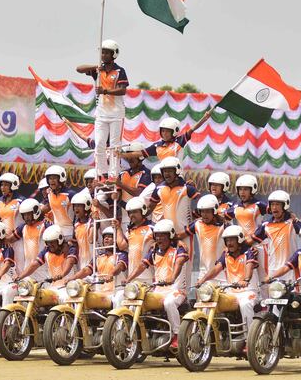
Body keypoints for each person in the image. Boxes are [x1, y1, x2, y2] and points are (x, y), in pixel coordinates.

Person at [124, 219, 188, 350]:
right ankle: (135, 334)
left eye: (163, 235)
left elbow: (179, 262)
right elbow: (142, 265)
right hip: (158, 290)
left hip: (176, 290)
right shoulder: (154, 251)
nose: (159, 238)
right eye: (157, 235)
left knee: (169, 303)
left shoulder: (179, 249)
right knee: (136, 301)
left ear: (170, 235)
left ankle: (177, 335)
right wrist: (129, 279)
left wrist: (173, 277)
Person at [195, 225, 260, 354]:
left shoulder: (249, 252)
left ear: (239, 239)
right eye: (227, 240)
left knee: (245, 304)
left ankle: (250, 340)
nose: (229, 243)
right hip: (231, 292)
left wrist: (245, 280)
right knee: (210, 302)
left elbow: (249, 266)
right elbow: (216, 269)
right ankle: (208, 335)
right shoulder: (225, 254)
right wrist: (203, 280)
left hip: (248, 291)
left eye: (232, 240)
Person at [76, 39, 128, 179]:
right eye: (102, 52)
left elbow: (122, 90)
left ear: (114, 54)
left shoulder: (119, 71)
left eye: (106, 53)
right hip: (101, 114)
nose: (103, 55)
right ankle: (102, 173)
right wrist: (95, 66)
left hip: (116, 114)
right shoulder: (98, 70)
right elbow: (79, 69)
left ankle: (113, 174)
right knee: (99, 144)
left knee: (114, 145)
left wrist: (105, 91)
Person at [148, 156, 199, 290]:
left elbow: (205, 210)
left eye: (170, 170)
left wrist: (186, 231)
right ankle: (168, 293)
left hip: (186, 235)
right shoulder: (158, 189)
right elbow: (149, 210)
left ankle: (184, 297)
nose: (167, 174)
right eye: (164, 171)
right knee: (168, 264)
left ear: (177, 170)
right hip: (167, 235)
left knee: (186, 265)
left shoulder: (187, 188)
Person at [13, 224, 78, 303]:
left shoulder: (70, 248)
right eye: (47, 243)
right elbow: (34, 265)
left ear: (60, 239)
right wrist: (20, 276)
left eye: (52, 242)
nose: (50, 245)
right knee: (35, 298)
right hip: (52, 287)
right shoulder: (47, 250)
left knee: (64, 299)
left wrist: (62, 274)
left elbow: (70, 262)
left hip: (67, 287)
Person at [64, 226, 128, 306]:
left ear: (116, 240)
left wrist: (111, 274)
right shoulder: (99, 257)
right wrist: (71, 278)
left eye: (110, 237)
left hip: (116, 290)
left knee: (118, 299)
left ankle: (118, 318)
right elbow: (86, 270)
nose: (106, 239)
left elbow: (119, 267)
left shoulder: (122, 255)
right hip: (100, 291)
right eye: (105, 237)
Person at [249, 190, 301, 282]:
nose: (274, 207)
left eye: (278, 204)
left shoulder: (293, 222)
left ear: (285, 205)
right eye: (272, 204)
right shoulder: (266, 225)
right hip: (272, 271)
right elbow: (250, 241)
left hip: (290, 269)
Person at [122, 112, 212, 163]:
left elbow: (193, 128)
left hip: (176, 175)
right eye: (163, 131)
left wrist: (204, 118)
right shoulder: (157, 146)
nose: (164, 133)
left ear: (175, 131)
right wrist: (121, 155)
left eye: (168, 131)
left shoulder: (180, 141)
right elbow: (139, 153)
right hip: (161, 176)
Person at [184, 194, 225, 284]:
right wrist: (179, 242)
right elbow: (180, 235)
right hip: (203, 275)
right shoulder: (197, 224)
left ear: (214, 211)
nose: (204, 215)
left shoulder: (225, 226)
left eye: (207, 211)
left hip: (222, 276)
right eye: (202, 211)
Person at [114, 197, 155, 287]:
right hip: (132, 277)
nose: (132, 215)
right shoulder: (130, 231)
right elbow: (121, 246)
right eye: (130, 213)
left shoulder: (152, 228)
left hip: (149, 277)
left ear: (143, 210)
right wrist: (118, 228)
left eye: (135, 212)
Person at [7, 199, 51, 281]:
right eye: (24, 215)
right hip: (28, 272)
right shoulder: (23, 227)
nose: (26, 217)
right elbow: (10, 239)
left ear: (36, 212)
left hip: (44, 271)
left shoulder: (46, 225)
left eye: (28, 214)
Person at [39, 165, 76, 240]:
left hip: (70, 233)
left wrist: (75, 233)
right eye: (50, 178)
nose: (52, 180)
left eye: (54, 178)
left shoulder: (70, 194)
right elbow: (47, 207)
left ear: (61, 179)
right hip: (56, 233)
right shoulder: (50, 194)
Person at [71, 191, 96, 270]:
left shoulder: (92, 222)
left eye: (79, 206)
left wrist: (94, 222)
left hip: (93, 262)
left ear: (87, 206)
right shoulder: (76, 225)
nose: (76, 208)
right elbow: (75, 243)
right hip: (81, 263)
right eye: (75, 206)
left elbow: (91, 239)